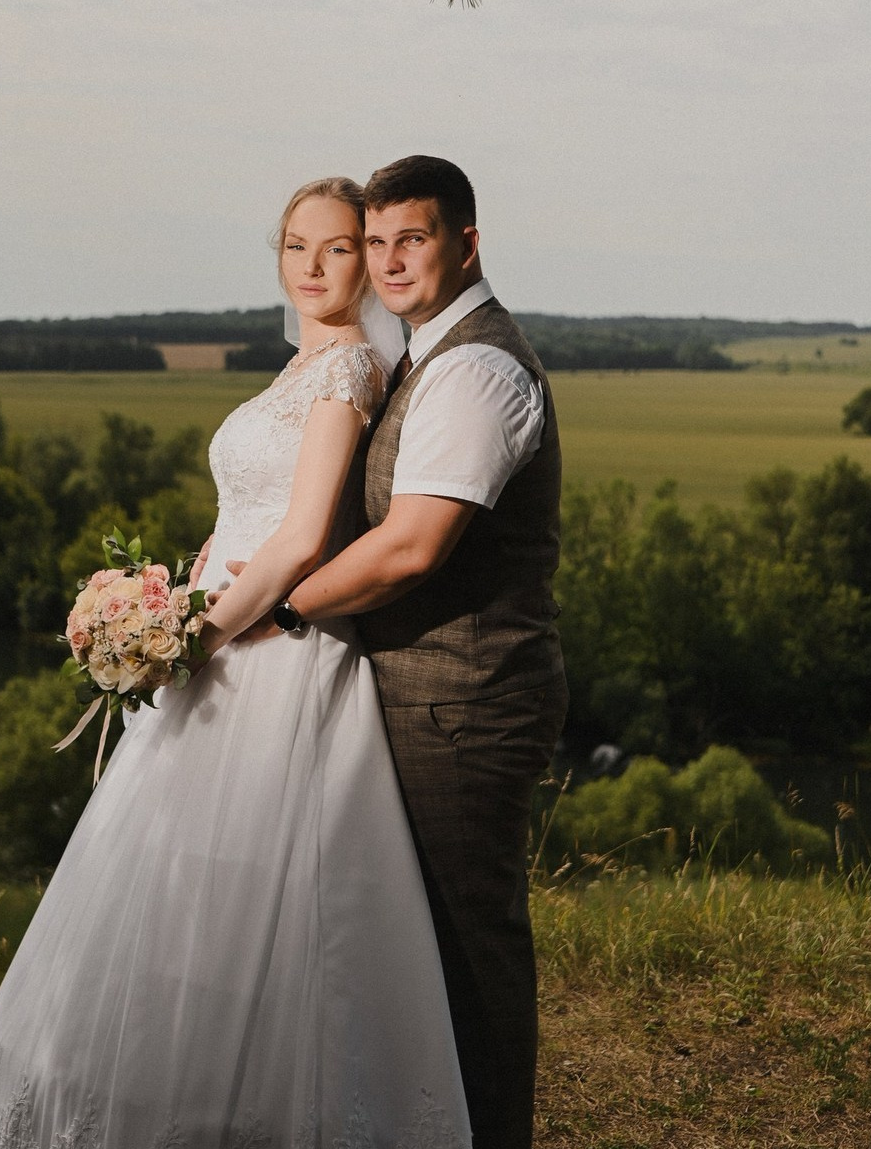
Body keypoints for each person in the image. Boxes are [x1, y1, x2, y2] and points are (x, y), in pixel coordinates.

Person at [0, 178, 471, 1149]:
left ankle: (240, 1110)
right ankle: (182, 1105)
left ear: (366, 263)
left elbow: (302, 537)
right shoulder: (292, 369)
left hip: (272, 663)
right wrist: (165, 599)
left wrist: (187, 636)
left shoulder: (346, 369)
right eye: (295, 246)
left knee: (256, 911)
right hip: (224, 643)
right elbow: (247, 522)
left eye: (338, 248)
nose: (312, 266)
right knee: (185, 901)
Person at [273, 156, 568, 1149]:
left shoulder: (477, 367)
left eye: (416, 237)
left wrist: (282, 604)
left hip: (466, 702)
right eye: (381, 239)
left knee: (467, 945)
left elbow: (411, 545)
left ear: (465, 244)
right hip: (426, 696)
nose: (391, 260)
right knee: (416, 945)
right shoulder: (424, 356)